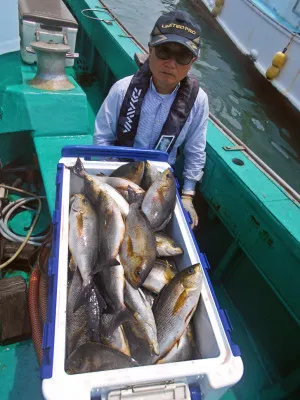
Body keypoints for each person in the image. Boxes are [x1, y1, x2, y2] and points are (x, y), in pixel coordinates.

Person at [94, 10, 209, 229]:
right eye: (164, 52)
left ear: (192, 61)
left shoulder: (199, 101)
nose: (171, 63)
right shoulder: (122, 89)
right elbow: (102, 139)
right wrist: (111, 180)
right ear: (150, 49)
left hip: (160, 183)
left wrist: (187, 195)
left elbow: (196, 149)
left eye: (182, 56)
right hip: (121, 173)